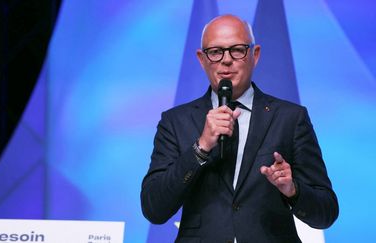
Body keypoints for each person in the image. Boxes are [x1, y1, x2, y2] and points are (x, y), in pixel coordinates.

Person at [140, 14, 338, 243]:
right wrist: (200, 148)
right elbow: (154, 208)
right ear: (201, 59)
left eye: (237, 50)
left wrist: (292, 190)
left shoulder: (290, 118)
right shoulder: (175, 122)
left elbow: (326, 212)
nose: (226, 60)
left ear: (255, 55)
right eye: (215, 52)